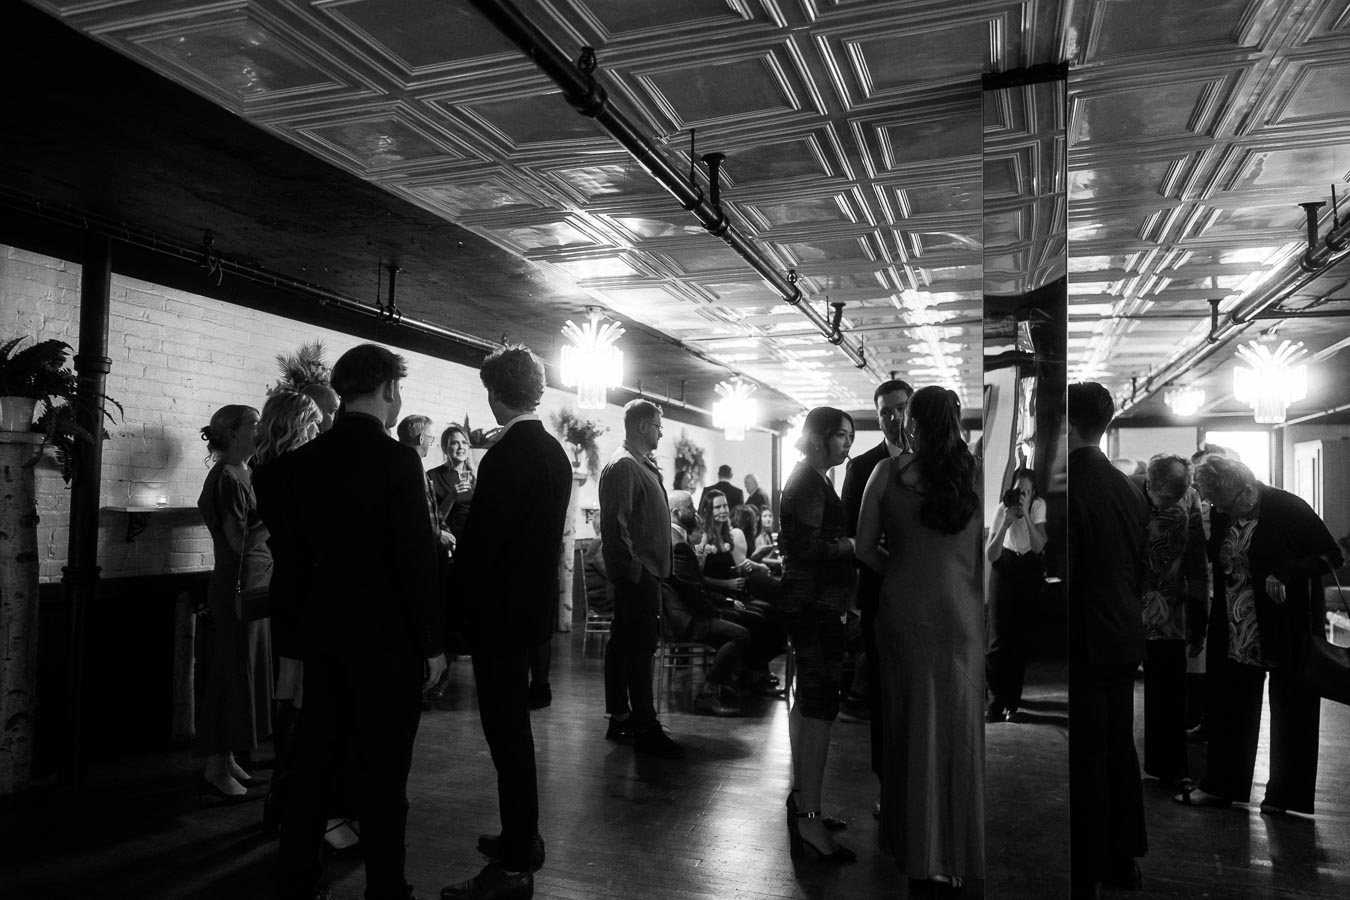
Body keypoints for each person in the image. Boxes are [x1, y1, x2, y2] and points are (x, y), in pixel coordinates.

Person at [274, 343, 446, 900]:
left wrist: (294, 646)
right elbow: (415, 560)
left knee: (314, 761)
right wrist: (432, 642)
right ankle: (386, 887)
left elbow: (292, 566)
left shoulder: (298, 465)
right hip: (386, 641)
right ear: (389, 390)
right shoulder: (399, 461)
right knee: (385, 770)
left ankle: (299, 878)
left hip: (322, 636)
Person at [443, 344, 573, 900]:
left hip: (498, 614)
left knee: (508, 738)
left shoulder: (504, 456)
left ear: (496, 394)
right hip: (530, 610)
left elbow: (483, 546)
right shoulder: (554, 452)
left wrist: (453, 611)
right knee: (513, 734)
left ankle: (517, 859)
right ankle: (521, 838)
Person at [856, 386, 984, 890]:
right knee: (957, 729)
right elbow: (988, 549)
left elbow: (865, 550)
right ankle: (953, 854)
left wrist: (905, 571)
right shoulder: (975, 473)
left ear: (913, 422)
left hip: (905, 609)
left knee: (909, 727)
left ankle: (917, 849)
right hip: (962, 614)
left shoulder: (887, 473)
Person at [1177, 454, 1343, 815]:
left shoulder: (1287, 507)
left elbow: (1332, 556)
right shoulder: (1225, 511)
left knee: (1292, 712)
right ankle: (1221, 787)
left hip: (1284, 629)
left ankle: (1285, 797)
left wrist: (1285, 571)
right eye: (1212, 503)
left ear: (1246, 490)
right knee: (1229, 710)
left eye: (1221, 502)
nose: (1218, 509)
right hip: (1235, 628)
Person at [1065, 382, 1148, 898]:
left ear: (1065, 425)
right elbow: (1139, 564)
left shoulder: (1070, 487)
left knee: (1091, 756)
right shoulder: (1125, 485)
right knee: (1120, 749)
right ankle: (1123, 858)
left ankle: (1090, 864)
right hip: (1123, 629)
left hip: (1089, 636)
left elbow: (1068, 575)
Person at [250, 392, 336, 839]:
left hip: (284, 584)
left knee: (288, 682)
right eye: (316, 423)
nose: (322, 430)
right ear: (300, 424)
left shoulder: (262, 470)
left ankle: (279, 791)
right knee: (306, 691)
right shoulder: (306, 472)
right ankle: (296, 789)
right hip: (311, 587)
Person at [779, 406, 858, 863]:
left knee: (808, 703)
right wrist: (852, 545)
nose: (848, 444)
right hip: (814, 608)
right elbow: (806, 547)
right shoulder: (809, 480)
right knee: (820, 707)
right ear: (819, 437)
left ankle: (804, 801)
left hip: (811, 605)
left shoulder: (812, 477)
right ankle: (809, 818)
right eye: (842, 436)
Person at [839, 377, 911, 808]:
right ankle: (888, 784)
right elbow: (852, 533)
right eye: (885, 411)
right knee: (884, 695)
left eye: (900, 408)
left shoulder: (936, 461)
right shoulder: (864, 465)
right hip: (881, 592)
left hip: (927, 596)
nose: (894, 417)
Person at [195, 404, 273, 799]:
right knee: (231, 671)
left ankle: (226, 758)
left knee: (245, 672)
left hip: (256, 581)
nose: (260, 430)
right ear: (233, 432)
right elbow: (238, 542)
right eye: (254, 424)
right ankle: (214, 764)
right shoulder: (226, 476)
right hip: (235, 583)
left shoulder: (247, 471)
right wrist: (276, 517)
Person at [599, 399, 683, 758]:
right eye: (658, 426)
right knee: (640, 651)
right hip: (639, 575)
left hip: (646, 572)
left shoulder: (638, 463)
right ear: (642, 426)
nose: (662, 432)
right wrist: (637, 572)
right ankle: (645, 725)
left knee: (623, 646)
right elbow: (615, 528)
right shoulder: (624, 465)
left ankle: (621, 715)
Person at [1135, 454, 1206, 791]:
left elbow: (1196, 558)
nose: (1170, 501)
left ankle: (1171, 766)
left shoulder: (1189, 498)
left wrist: (1199, 612)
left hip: (1173, 608)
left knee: (1170, 690)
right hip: (1137, 602)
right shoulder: (1133, 495)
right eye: (1166, 495)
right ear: (1150, 482)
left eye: (1176, 495)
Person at [665, 490, 748, 717]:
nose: (695, 511)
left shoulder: (678, 538)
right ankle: (707, 693)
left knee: (745, 618)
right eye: (690, 508)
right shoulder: (677, 543)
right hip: (686, 620)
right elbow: (692, 591)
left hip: (691, 611)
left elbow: (696, 586)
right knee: (740, 633)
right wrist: (717, 611)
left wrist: (724, 604)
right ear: (675, 512)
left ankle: (732, 681)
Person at [984, 467, 1048, 722]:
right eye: (1017, 490)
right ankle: (994, 700)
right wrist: (1008, 519)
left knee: (1019, 639)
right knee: (996, 639)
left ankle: (1012, 700)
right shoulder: (1003, 508)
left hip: (1027, 567)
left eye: (1026, 492)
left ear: (1032, 494)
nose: (1020, 496)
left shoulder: (1038, 505)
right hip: (1005, 566)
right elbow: (991, 554)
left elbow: (1038, 545)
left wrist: (1027, 516)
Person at [428, 424, 475, 543]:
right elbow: (433, 523)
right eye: (454, 443)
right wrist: (452, 496)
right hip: (451, 542)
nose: (461, 447)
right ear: (445, 448)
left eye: (464, 442)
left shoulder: (475, 474)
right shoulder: (433, 476)